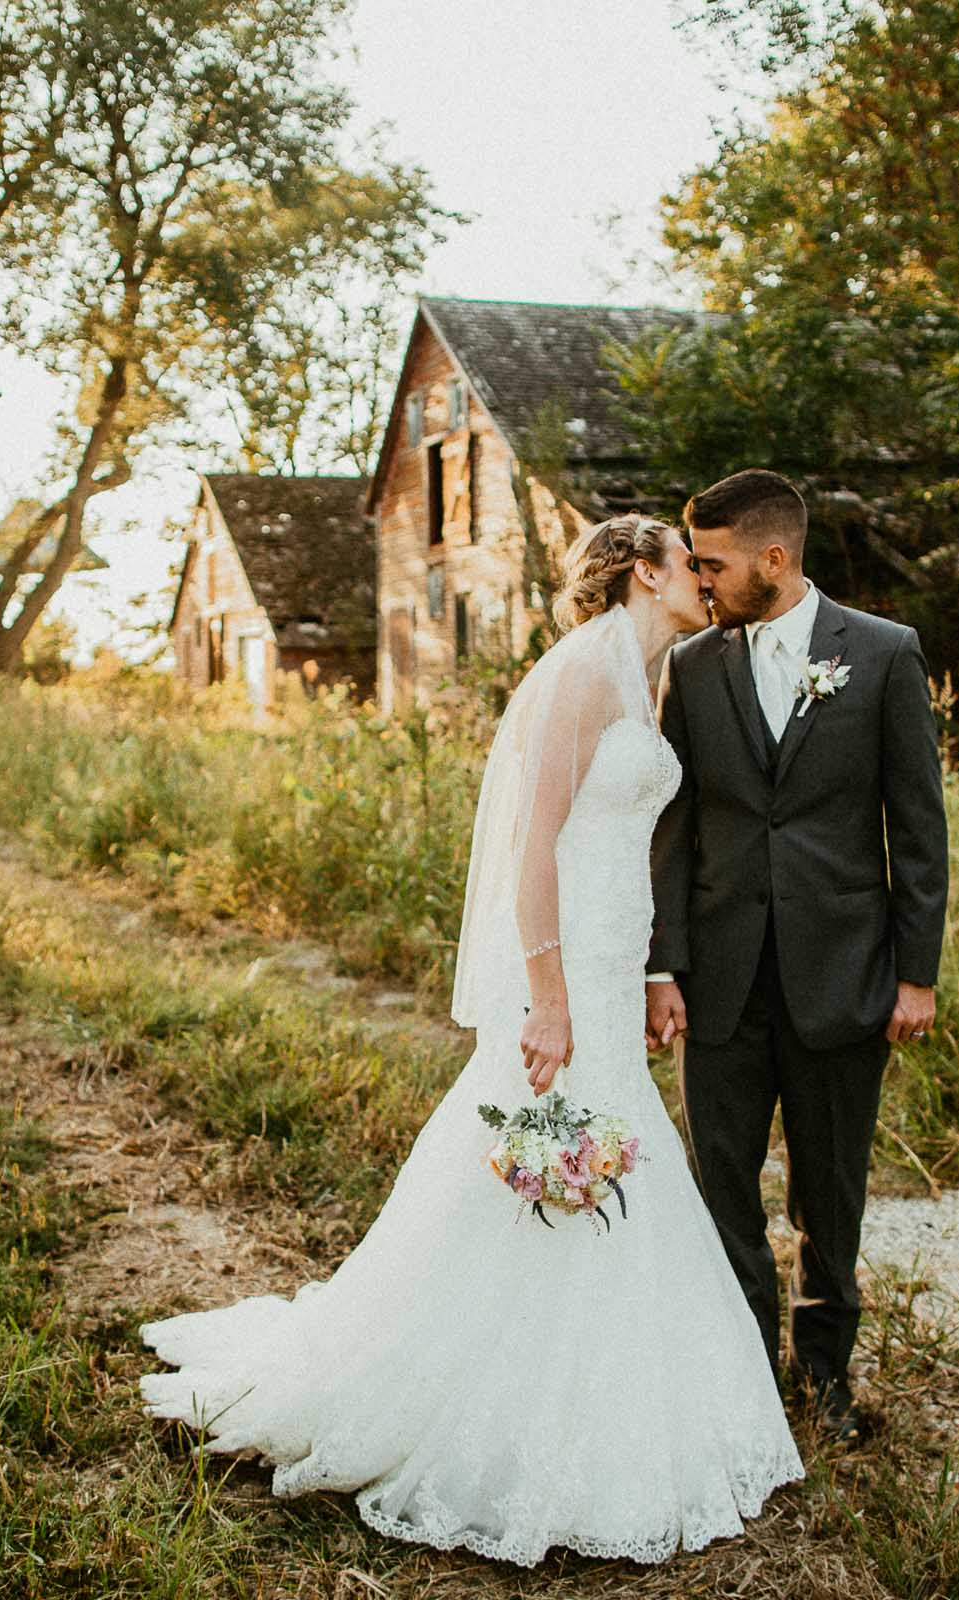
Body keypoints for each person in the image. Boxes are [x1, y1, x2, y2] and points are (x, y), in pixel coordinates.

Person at [140, 513, 803, 1565]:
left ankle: (603, 1394)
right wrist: (547, 994)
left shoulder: (650, 675)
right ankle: (449, 1396)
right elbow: (532, 841)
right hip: (561, 971)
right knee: (534, 1164)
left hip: (605, 959)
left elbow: (617, 841)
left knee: (603, 1160)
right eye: (690, 562)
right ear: (644, 570)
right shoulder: (583, 674)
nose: (706, 580)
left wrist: (640, 970)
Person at [645, 469, 950, 1445]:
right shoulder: (692, 669)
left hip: (843, 975)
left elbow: (919, 826)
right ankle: (741, 1375)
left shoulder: (885, 654)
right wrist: (664, 966)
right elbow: (674, 829)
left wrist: (916, 972)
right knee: (721, 1187)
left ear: (775, 559)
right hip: (721, 983)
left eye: (715, 562)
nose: (700, 576)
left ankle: (826, 1378)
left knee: (831, 1193)